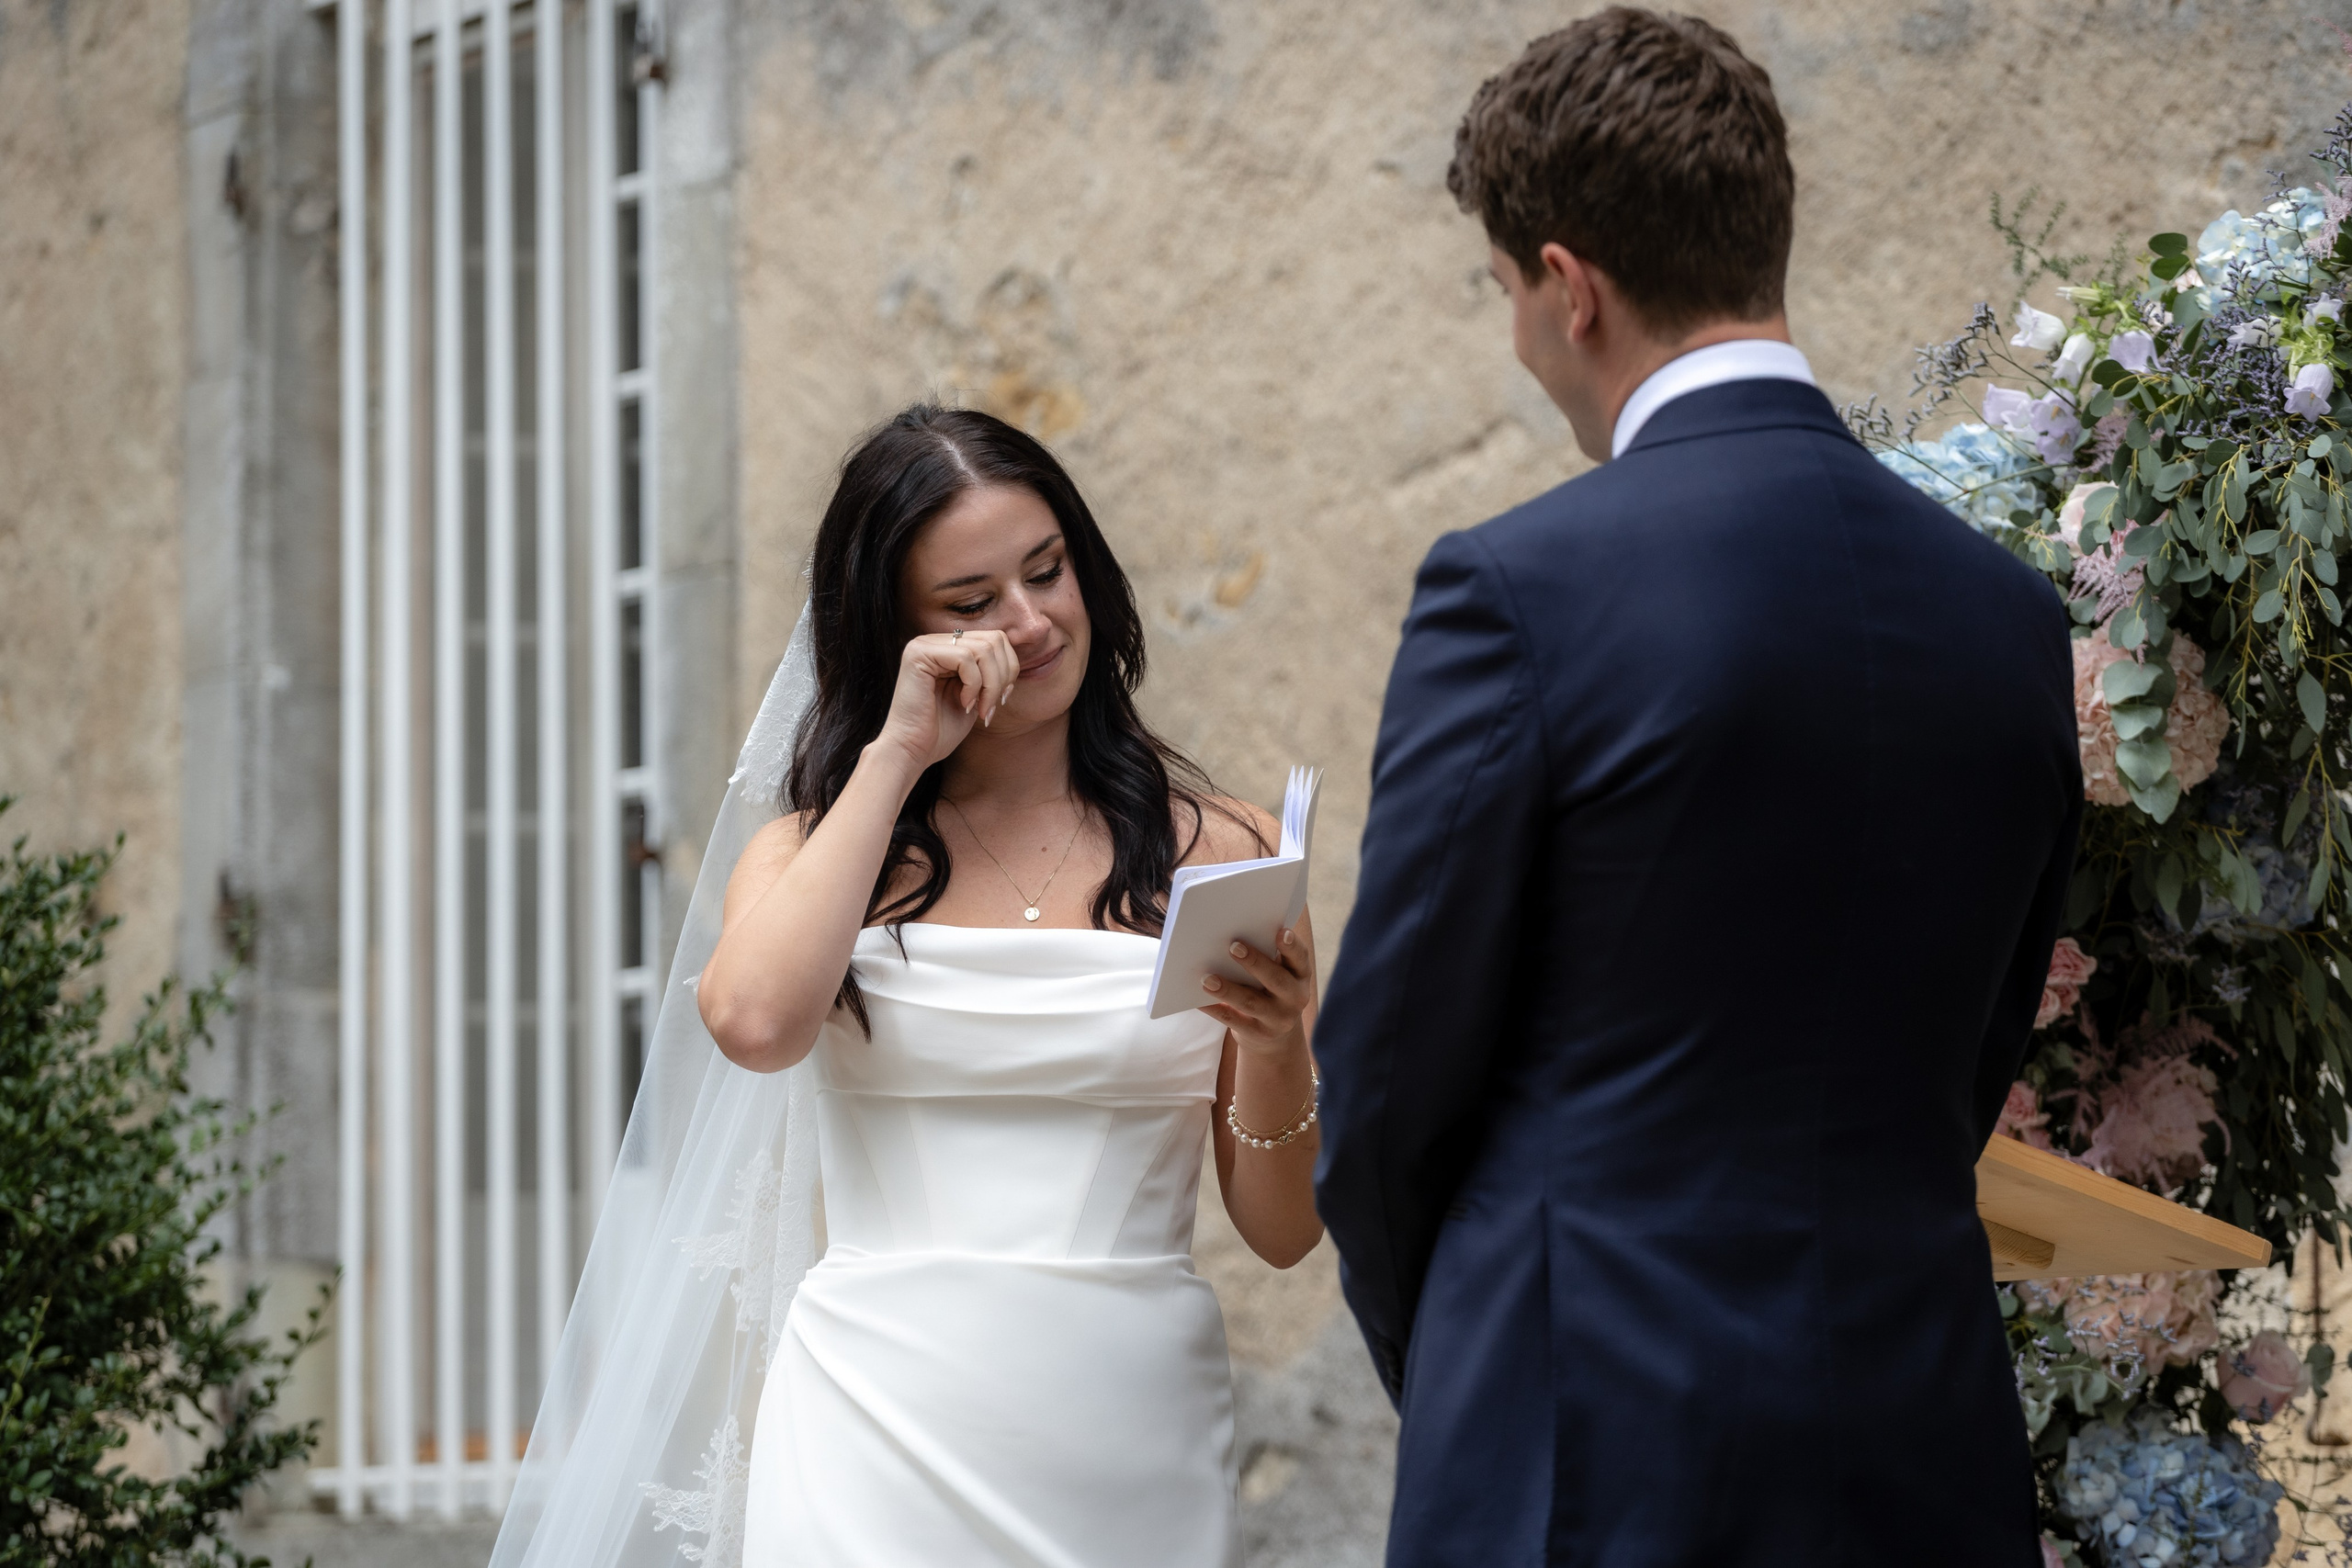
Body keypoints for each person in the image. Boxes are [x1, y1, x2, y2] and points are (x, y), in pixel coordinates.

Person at [1310, 11, 2080, 1567]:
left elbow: (1386, 1086)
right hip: (1921, 1442)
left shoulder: (1520, 590)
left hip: (1591, 1449)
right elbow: (1977, 1047)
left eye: (1506, 293)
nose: (1520, 339)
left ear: (1570, 286)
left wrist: (1470, 1372)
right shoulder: (2009, 615)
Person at [487, 405, 1321, 1568]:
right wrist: (894, 756)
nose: (1029, 622)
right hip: (870, 1433)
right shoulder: (814, 854)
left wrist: (1277, 1043)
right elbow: (754, 1025)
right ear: (895, 634)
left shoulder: (1222, 850)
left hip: (1132, 1438)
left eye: (1047, 572)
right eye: (972, 602)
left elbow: (1283, 1233)